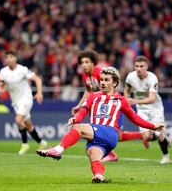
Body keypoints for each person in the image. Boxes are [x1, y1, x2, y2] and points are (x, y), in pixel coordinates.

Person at [36, 67, 164, 183]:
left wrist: (152, 126)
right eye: (101, 79)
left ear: (114, 83)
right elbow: (83, 111)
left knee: (78, 128)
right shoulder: (93, 96)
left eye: (106, 80)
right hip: (96, 137)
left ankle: (58, 150)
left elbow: (135, 118)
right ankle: (99, 176)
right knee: (94, 156)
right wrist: (75, 118)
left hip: (109, 132)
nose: (102, 82)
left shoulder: (121, 100)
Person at [71, 50, 145, 162]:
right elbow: (88, 91)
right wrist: (79, 105)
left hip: (112, 106)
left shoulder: (99, 73)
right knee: (101, 132)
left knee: (115, 135)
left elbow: (109, 89)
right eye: (82, 63)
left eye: (87, 62)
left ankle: (141, 135)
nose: (84, 65)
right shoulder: (85, 75)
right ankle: (112, 154)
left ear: (93, 63)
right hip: (99, 106)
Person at [0, 51, 48, 155]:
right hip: (15, 101)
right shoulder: (3, 72)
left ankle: (25, 144)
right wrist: (0, 89)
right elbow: (1, 85)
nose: (9, 59)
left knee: (18, 120)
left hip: (26, 98)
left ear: (16, 58)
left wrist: (39, 93)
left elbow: (37, 79)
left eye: (11, 57)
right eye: (7, 57)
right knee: (28, 124)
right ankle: (41, 142)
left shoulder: (23, 70)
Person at [124, 56, 171, 164]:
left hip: (156, 108)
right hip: (141, 109)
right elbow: (127, 89)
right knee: (147, 137)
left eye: (141, 66)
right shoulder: (130, 77)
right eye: (136, 66)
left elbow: (152, 98)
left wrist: (134, 101)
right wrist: (126, 101)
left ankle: (166, 156)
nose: (138, 68)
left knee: (159, 134)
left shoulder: (152, 78)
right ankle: (165, 139)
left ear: (146, 66)